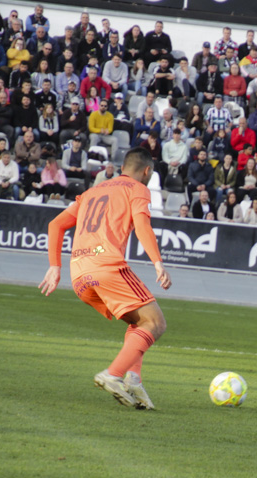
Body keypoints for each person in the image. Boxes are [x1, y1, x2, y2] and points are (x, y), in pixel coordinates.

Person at [40, 147, 172, 410]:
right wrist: (158, 262)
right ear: (147, 171)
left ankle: (133, 379)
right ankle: (113, 374)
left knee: (138, 321)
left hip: (79, 274)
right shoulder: (137, 188)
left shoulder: (92, 191)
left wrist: (54, 267)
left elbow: (55, 224)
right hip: (106, 265)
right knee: (156, 323)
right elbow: (143, 224)